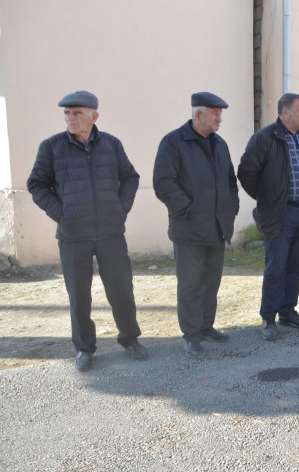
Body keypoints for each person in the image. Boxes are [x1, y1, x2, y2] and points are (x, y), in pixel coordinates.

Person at [27, 90, 146, 371]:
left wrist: (120, 209)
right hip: (73, 235)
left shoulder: (112, 145)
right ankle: (84, 349)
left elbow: (130, 177)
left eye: (77, 112)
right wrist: (62, 214)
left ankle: (130, 340)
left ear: (94, 116)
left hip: (110, 232)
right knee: (79, 295)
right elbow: (37, 185)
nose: (70, 118)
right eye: (66, 113)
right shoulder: (52, 147)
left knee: (121, 290)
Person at [153, 92, 240, 359]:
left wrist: (230, 207)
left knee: (211, 282)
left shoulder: (220, 144)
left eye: (221, 113)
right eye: (215, 113)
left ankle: (206, 326)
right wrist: (188, 210)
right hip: (189, 229)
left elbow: (229, 180)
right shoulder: (174, 142)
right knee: (190, 284)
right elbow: (163, 183)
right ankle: (191, 335)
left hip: (217, 227)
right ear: (198, 114)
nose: (219, 118)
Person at [237, 93, 299, 341]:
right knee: (276, 267)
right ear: (285, 113)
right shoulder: (265, 138)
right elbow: (247, 172)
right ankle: (268, 317)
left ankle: (288, 311)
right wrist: (268, 198)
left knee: (295, 266)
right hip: (280, 214)